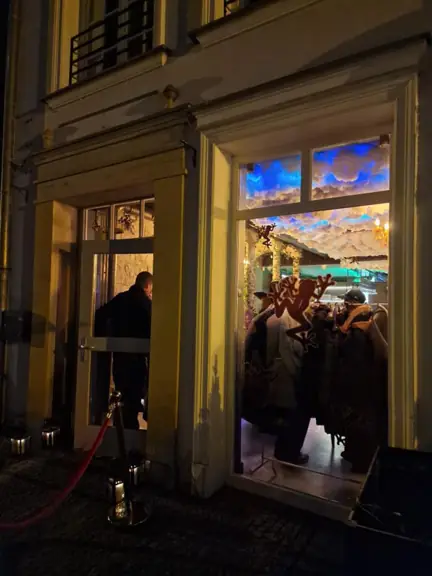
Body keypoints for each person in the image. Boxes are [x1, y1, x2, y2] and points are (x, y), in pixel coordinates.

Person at [94, 271, 152, 429]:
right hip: (138, 361)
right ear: (147, 286)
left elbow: (100, 315)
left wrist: (105, 342)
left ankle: (121, 433)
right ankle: (130, 436)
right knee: (133, 401)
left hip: (120, 359)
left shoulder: (120, 299)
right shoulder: (147, 305)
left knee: (122, 399)